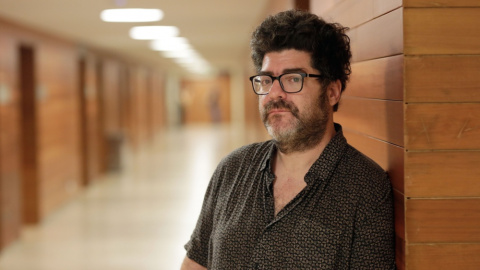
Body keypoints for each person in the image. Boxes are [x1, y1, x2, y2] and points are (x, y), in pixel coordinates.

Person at [181, 9, 395, 269]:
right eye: (267, 80)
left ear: (332, 92)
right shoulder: (232, 169)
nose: (274, 93)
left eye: (293, 79)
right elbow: (196, 261)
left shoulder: (366, 189)